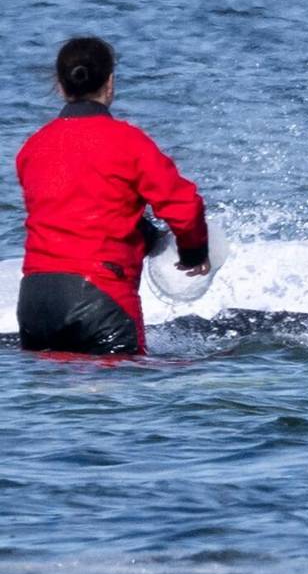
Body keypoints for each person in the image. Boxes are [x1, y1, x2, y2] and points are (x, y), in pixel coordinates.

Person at [15, 37, 210, 355]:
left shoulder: (33, 148)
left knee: (55, 399)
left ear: (61, 86)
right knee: (124, 398)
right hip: (100, 297)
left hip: (36, 300)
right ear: (110, 83)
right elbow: (185, 207)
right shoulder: (128, 142)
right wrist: (193, 252)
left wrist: (146, 235)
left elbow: (75, 211)